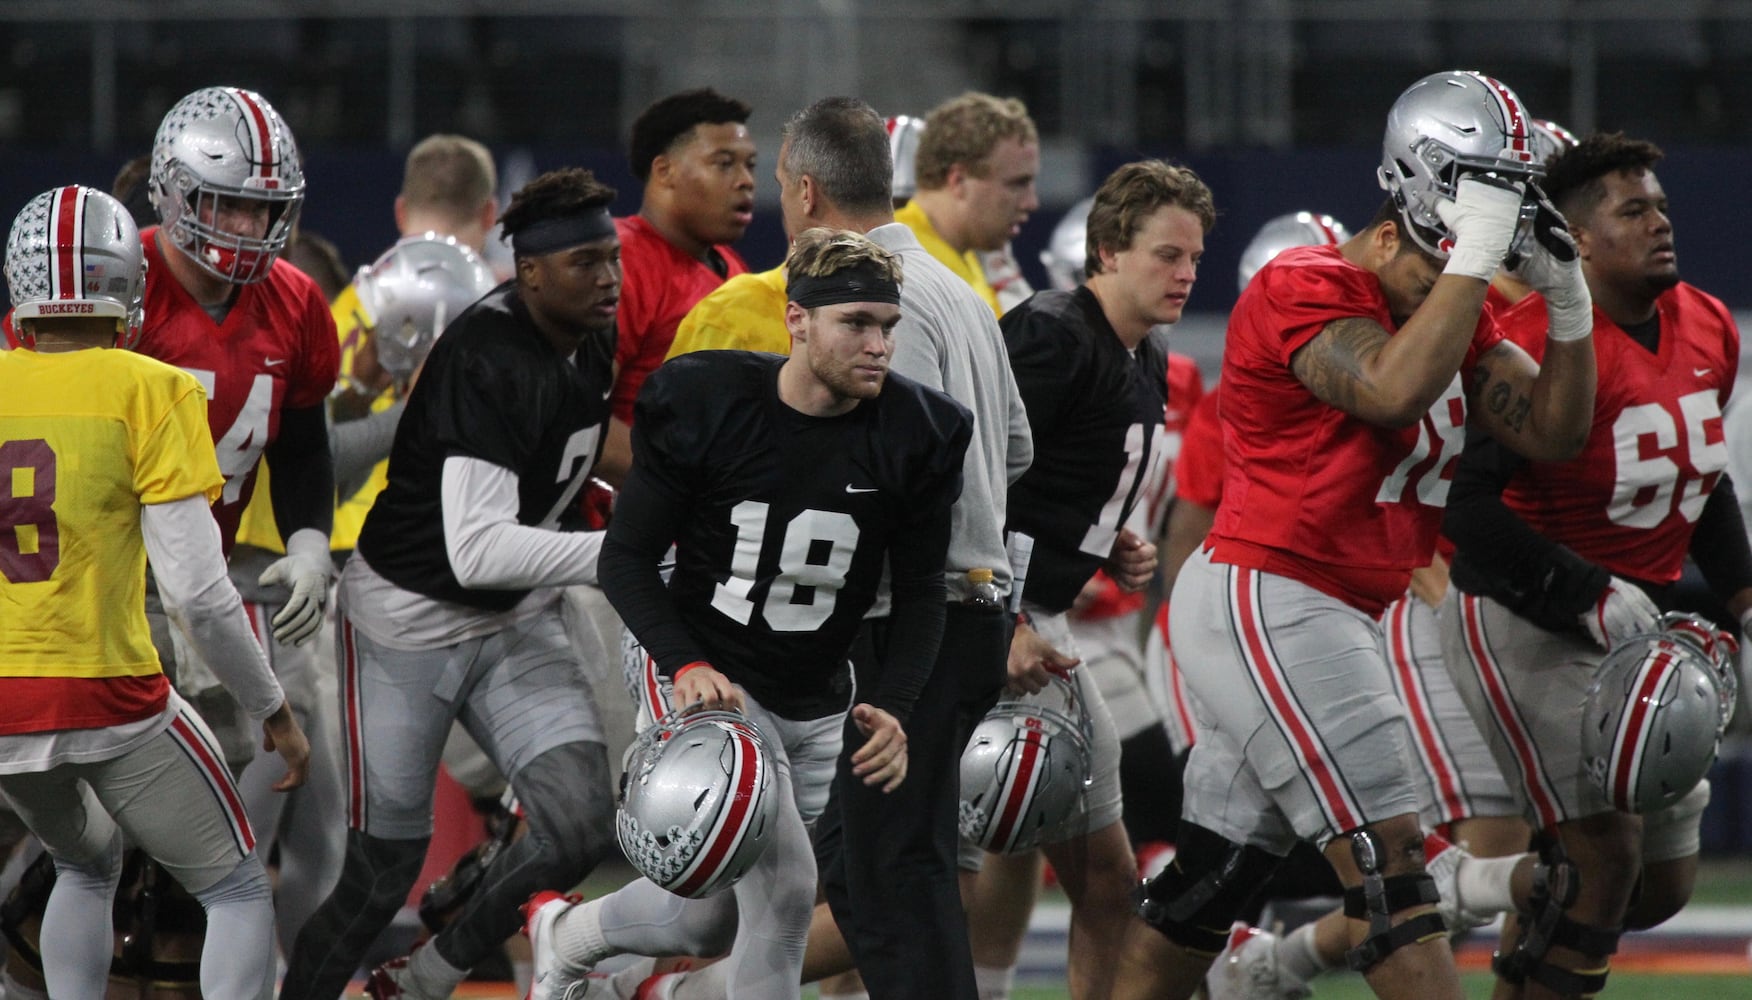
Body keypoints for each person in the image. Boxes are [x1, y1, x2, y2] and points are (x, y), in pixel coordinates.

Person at [1110, 70, 1599, 1000]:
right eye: (1492, 191)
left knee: (1214, 876)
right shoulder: (1304, 283)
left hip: (1333, 606)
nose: (1441, 292)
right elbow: (1390, 389)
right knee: (1393, 866)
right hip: (1273, 593)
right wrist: (1474, 258)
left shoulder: (1456, 301)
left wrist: (1568, 300)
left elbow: (1555, 432)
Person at [521, 225, 972, 1000]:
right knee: (791, 891)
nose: (878, 346)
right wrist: (685, 664)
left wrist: (895, 705)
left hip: (817, 688)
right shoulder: (711, 402)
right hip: (707, 664)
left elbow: (925, 589)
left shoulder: (919, 432)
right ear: (797, 319)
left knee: (709, 919)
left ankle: (575, 938)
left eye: (887, 327)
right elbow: (624, 559)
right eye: (856, 324)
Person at [277, 167, 625, 1000]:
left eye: (612, 257)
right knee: (379, 870)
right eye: (586, 262)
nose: (609, 278)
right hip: (408, 620)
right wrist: (627, 555)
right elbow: (478, 553)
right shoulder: (487, 352)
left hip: (513, 619)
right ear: (530, 270)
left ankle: (427, 974)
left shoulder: (590, 336)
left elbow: (568, 471)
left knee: (581, 822)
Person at [1440, 131, 1752, 999]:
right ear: (1575, 241)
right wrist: (1581, 588)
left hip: (1640, 630)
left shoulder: (1708, 321)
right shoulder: (1528, 340)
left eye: (1659, 204)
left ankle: (1496, 897)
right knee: (1604, 861)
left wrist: (1743, 592)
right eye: (1633, 209)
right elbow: (1467, 513)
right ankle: (1492, 893)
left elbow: (1702, 481)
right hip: (1524, 618)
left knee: (1658, 887)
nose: (1660, 221)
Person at [0, 184, 309, 1000]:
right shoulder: (152, 387)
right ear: (128, 281)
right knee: (238, 887)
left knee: (86, 859)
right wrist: (272, 707)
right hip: (108, 691)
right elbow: (200, 593)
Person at [983, 159, 1215, 998]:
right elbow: (966, 484)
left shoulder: (1141, 354)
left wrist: (1103, 540)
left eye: (1194, 258)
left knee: (1113, 883)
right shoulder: (1052, 333)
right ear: (1109, 251)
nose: (1186, 274)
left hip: (1046, 626)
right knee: (905, 883)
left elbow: (1052, 482)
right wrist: (1002, 619)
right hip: (982, 628)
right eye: (1167, 255)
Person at [132, 85, 341, 773]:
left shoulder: (297, 301)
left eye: (265, 209)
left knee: (219, 761)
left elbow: (305, 447)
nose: (250, 228)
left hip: (199, 582)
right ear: (176, 194)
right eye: (230, 205)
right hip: (101, 571)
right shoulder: (116, 285)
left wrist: (310, 542)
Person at [610, 86, 756, 424]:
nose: (746, 180)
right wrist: (668, 480)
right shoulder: (619, 262)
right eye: (724, 164)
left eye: (750, 165)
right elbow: (577, 419)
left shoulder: (734, 268)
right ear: (664, 172)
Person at [899, 92, 1040, 317]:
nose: (1031, 203)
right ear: (959, 180)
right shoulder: (903, 265)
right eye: (1017, 184)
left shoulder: (964, 254)